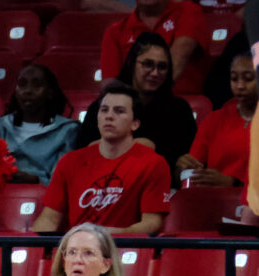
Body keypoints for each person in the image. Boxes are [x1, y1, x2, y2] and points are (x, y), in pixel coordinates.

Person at [33, 81, 172, 235]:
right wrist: (32, 245)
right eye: (104, 110)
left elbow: (152, 223)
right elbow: (50, 219)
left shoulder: (153, 163)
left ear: (135, 124)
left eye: (119, 111)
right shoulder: (70, 162)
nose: (109, 116)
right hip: (77, 251)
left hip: (126, 252)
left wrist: (109, 235)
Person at [80, 33, 197, 182]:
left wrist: (183, 165)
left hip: (161, 188)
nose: (155, 73)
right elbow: (82, 158)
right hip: (105, 190)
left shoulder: (179, 110)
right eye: (148, 64)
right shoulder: (103, 107)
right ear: (132, 63)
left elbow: (187, 159)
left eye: (162, 67)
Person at [99, 0, 208, 94]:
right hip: (134, 108)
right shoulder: (115, 32)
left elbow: (176, 62)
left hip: (181, 107)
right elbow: (110, 85)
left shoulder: (189, 12)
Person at [0, 64, 79, 185]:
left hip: (45, 198)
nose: (28, 90)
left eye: (36, 85)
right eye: (22, 84)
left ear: (49, 92)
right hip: (0, 197)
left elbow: (62, 183)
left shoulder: (68, 130)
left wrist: (37, 181)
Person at [178, 49, 256, 186]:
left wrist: (232, 183)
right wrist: (181, 168)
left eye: (248, 78)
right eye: (234, 79)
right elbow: (192, 171)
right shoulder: (215, 120)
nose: (240, 86)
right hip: (214, 201)